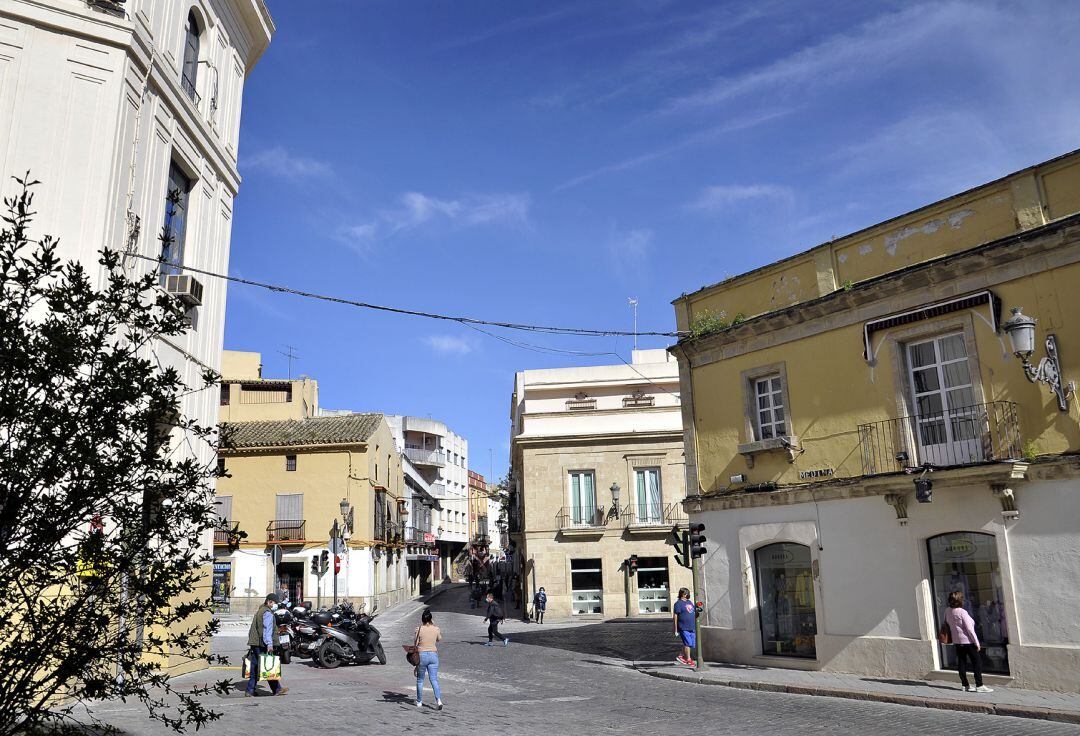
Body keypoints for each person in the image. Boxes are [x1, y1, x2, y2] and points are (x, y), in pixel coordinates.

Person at [945, 590, 993, 693]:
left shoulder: (948, 611)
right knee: (977, 662)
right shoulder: (962, 612)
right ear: (960, 600)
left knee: (961, 663)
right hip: (968, 641)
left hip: (957, 641)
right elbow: (970, 629)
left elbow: (948, 624)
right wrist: (977, 642)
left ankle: (965, 685)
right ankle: (979, 685)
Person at [245, 594, 287, 697]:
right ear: (269, 602)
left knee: (255, 667)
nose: (274, 605)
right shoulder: (267, 613)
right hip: (262, 644)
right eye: (274, 603)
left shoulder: (260, 611)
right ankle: (277, 689)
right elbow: (267, 630)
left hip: (255, 643)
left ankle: (250, 690)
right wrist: (270, 645)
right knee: (267, 666)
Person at [414, 609, 443, 710]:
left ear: (422, 619)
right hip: (433, 655)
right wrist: (434, 625)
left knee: (420, 680)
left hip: (422, 656)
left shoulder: (419, 629)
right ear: (431, 619)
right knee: (434, 679)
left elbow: (416, 643)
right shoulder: (436, 629)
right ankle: (438, 700)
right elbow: (439, 639)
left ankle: (419, 701)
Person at [672, 587, 696, 667]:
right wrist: (675, 629)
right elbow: (675, 616)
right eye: (687, 593)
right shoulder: (678, 603)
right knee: (688, 643)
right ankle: (688, 659)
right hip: (683, 627)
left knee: (692, 644)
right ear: (683, 594)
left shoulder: (689, 602)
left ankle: (681, 655)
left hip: (692, 626)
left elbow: (693, 611)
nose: (688, 595)